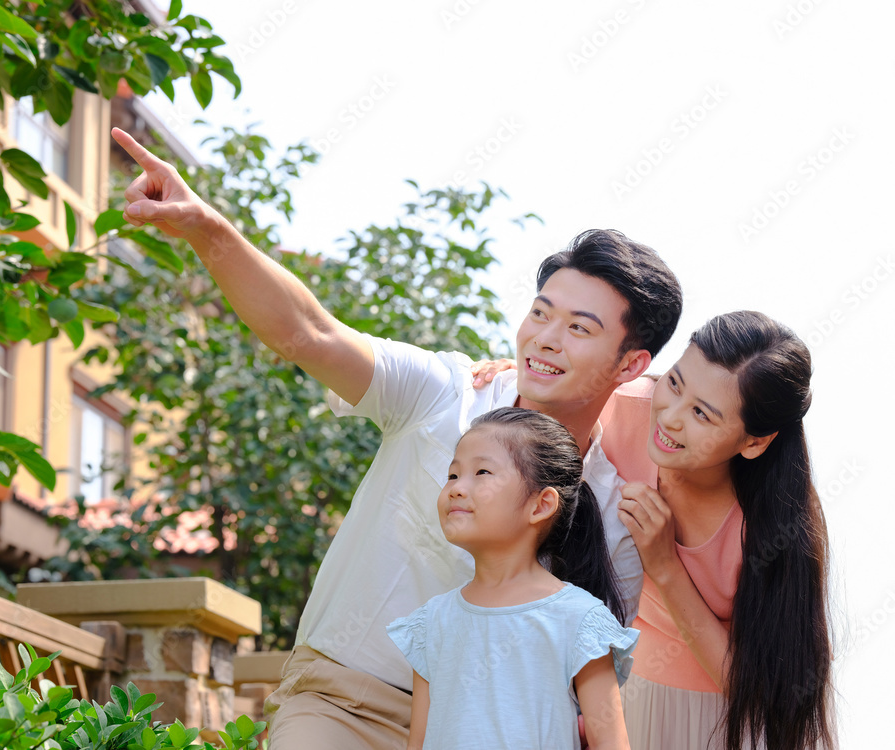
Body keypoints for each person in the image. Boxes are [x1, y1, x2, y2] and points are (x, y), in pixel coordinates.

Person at [112, 127, 683, 749]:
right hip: (342, 702)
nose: (545, 338)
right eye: (541, 313)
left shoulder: (611, 506)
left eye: (580, 328)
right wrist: (206, 228)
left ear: (630, 363)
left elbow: (587, 683)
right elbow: (310, 332)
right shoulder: (444, 392)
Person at [615, 311, 834, 750]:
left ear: (754, 441)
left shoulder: (775, 524)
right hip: (608, 691)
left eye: (702, 413)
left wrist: (665, 566)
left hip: (717, 723)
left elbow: (761, 689)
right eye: (675, 382)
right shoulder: (622, 408)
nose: (670, 417)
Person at [387, 407, 638, 750]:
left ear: (540, 505)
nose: (457, 488)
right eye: (452, 475)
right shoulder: (432, 622)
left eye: (482, 472)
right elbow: (419, 741)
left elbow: (610, 743)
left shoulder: (580, 620)